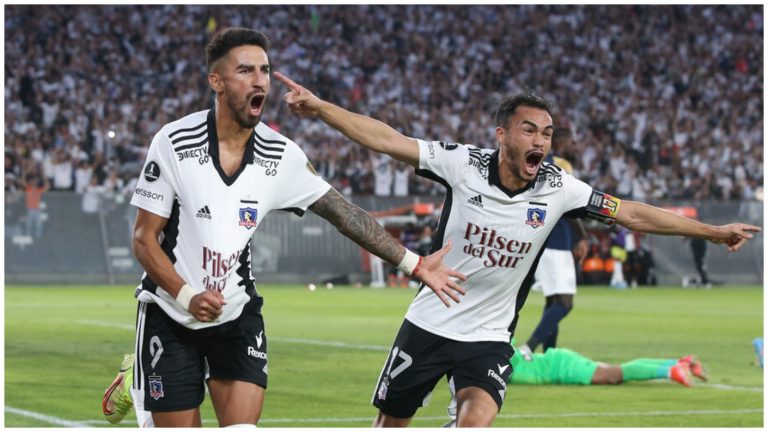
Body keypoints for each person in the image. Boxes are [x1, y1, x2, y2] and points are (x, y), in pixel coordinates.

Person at [273, 71, 760, 427]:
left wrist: (713, 232)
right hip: (430, 322)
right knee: (390, 423)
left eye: (547, 133)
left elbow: (632, 212)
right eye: (530, 130)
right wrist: (321, 109)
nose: (541, 142)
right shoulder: (461, 164)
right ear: (502, 134)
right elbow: (389, 140)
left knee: (476, 419)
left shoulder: (559, 188)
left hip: (489, 334)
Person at [121, 28, 465, 428]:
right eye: (245, 70)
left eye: (265, 71)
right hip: (170, 312)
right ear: (216, 81)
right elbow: (144, 239)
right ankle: (144, 396)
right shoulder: (174, 142)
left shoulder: (280, 155)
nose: (260, 81)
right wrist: (185, 295)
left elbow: (344, 214)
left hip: (235, 314)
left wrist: (415, 264)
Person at [441, 342, 707, 426]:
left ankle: (672, 369)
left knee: (614, 374)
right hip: (559, 361)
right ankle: (678, 362)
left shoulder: (492, 357)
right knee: (614, 370)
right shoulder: (496, 350)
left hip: (561, 368)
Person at [517, 128, 588, 361]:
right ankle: (528, 348)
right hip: (556, 241)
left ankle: (550, 355)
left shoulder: (535, 162)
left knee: (552, 301)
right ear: (556, 141)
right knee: (565, 303)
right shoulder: (560, 165)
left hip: (542, 239)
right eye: (571, 140)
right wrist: (581, 236)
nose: (574, 145)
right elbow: (570, 204)